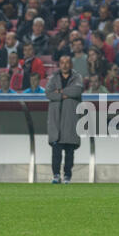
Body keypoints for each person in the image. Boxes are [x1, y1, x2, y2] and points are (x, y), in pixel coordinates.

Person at [46, 55, 83, 184]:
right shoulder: (53, 78)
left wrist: (60, 92)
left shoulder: (77, 77)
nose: (65, 65)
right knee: (56, 152)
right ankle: (56, 175)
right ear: (59, 64)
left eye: (67, 62)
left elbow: (77, 91)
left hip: (70, 119)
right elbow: (49, 93)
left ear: (71, 64)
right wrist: (65, 95)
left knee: (69, 152)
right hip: (56, 120)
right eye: (62, 62)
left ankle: (67, 176)